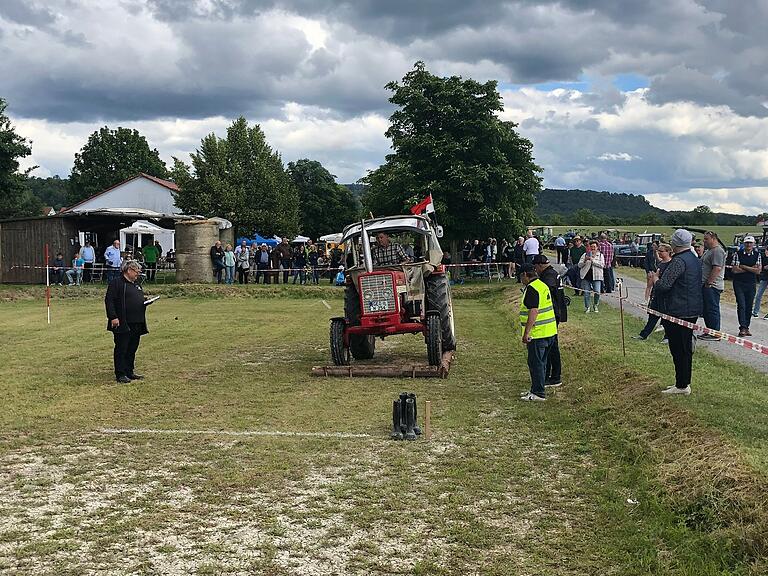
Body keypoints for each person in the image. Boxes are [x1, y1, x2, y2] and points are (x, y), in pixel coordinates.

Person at [653, 229, 702, 395]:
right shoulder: (694, 259)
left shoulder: (678, 261)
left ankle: (682, 384)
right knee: (685, 348)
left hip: (678, 310)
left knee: (679, 349)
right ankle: (682, 382)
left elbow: (664, 285)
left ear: (675, 244)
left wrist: (655, 280)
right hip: (691, 308)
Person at [105, 260, 150, 384]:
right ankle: (120, 373)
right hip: (122, 322)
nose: (138, 274)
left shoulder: (136, 284)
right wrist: (113, 317)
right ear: (129, 270)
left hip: (137, 321)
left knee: (132, 348)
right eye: (136, 271)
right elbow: (109, 301)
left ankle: (129, 370)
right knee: (122, 347)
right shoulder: (116, 283)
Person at [518, 264, 558, 402]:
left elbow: (533, 311)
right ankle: (536, 389)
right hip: (550, 332)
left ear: (525, 274)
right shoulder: (542, 285)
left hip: (538, 334)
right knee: (542, 363)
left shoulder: (532, 289)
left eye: (521, 276)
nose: (521, 279)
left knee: (536, 364)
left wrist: (526, 333)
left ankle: (538, 393)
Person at [532, 255, 566, 387]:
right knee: (552, 346)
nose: (535, 271)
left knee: (551, 347)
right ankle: (552, 375)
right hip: (555, 313)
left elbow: (547, 293)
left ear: (540, 266)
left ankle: (553, 376)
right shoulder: (552, 273)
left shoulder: (548, 276)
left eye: (535, 268)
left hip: (551, 315)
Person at [633, 243, 672, 341]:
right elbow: (655, 276)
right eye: (658, 251)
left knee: (666, 318)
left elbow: (661, 279)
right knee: (652, 316)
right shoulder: (661, 263)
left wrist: (656, 278)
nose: (659, 253)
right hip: (656, 294)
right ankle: (644, 335)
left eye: (661, 251)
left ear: (668, 252)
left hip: (666, 296)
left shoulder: (671, 265)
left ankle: (667, 337)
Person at [730, 235, 762, 337]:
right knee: (742, 304)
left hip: (751, 283)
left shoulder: (757, 255)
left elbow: (758, 271)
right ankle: (742, 327)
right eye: (747, 243)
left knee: (749, 305)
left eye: (750, 243)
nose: (748, 245)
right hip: (739, 283)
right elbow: (735, 269)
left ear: (753, 244)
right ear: (744, 244)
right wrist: (750, 268)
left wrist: (743, 267)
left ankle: (746, 326)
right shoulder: (737, 254)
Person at [698, 231, 726, 340]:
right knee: (706, 309)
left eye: (706, 239)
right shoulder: (709, 251)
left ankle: (715, 332)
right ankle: (709, 330)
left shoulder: (717, 251)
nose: (704, 241)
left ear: (713, 239)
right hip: (706, 285)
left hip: (712, 286)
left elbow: (717, 268)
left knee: (712, 309)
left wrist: (709, 282)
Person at [578, 241, 604, 313]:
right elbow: (579, 265)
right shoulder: (585, 255)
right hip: (586, 276)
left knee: (597, 292)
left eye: (594, 247)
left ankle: (595, 305)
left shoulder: (600, 255)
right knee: (586, 293)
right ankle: (587, 307)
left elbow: (602, 265)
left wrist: (593, 260)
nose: (593, 248)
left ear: (597, 248)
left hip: (597, 276)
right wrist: (585, 260)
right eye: (591, 247)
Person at [752, 243, 768, 319]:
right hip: (764, 278)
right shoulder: (763, 257)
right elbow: (762, 267)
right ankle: (755, 312)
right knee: (758, 295)